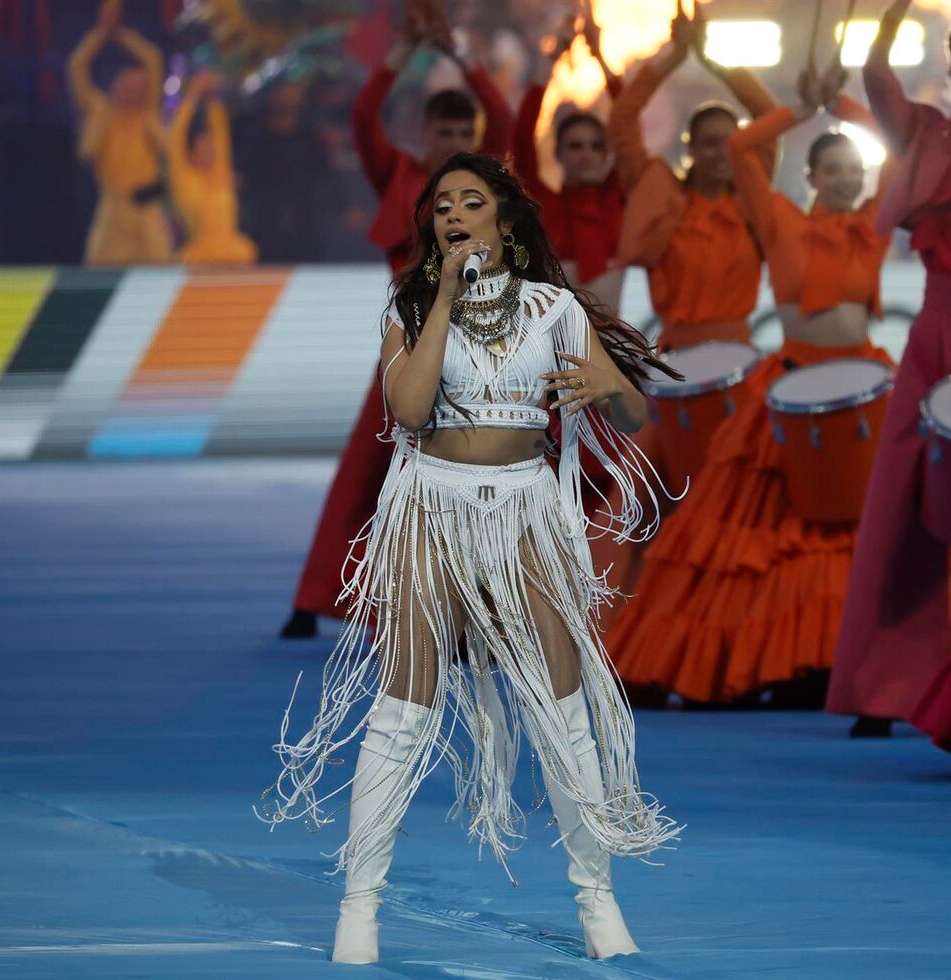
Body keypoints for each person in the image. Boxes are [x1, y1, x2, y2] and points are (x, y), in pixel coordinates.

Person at [256, 152, 681, 964]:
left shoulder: (556, 309)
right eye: (441, 204)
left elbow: (632, 412)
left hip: (525, 509)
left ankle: (597, 903)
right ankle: (360, 907)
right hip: (430, 505)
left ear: (506, 221)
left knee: (563, 711)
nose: (453, 213)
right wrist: (444, 297)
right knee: (404, 704)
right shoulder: (411, 305)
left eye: (471, 201)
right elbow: (409, 409)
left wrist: (606, 392)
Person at [605, 63, 896, 707]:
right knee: (739, 532)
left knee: (847, 536)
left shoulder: (876, 220)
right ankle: (724, 662)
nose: (847, 179)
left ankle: (828, 666)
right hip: (778, 381)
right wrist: (803, 107)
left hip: (862, 382)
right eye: (833, 170)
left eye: (856, 169)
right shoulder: (777, 217)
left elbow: (900, 150)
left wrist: (841, 104)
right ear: (812, 178)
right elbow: (742, 147)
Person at [281, 5, 513, 638]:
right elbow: (363, 117)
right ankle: (315, 597)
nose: (454, 141)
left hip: (477, 353)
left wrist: (461, 53)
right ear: (426, 134)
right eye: (444, 132)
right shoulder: (401, 177)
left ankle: (474, 609)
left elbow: (510, 117)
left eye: (465, 131)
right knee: (366, 474)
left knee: (480, 478)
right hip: (407, 347)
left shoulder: (483, 190)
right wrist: (402, 54)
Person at [594, 6, 777, 600]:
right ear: (691, 146)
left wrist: (717, 60)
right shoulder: (662, 199)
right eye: (712, 141)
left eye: (733, 140)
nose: (725, 150)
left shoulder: (752, 202)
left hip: (743, 372)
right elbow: (623, 121)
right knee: (659, 502)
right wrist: (673, 58)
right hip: (674, 372)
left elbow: (772, 116)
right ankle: (650, 620)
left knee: (745, 506)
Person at [826, 0, 951, 743]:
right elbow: (874, 75)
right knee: (900, 512)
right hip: (935, 337)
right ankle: (878, 688)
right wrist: (895, 10)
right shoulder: (929, 132)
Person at [514, 12, 625, 313]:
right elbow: (522, 139)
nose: (586, 153)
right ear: (558, 153)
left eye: (595, 146)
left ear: (606, 154)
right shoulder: (543, 205)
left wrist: (600, 57)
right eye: (575, 146)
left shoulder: (616, 201)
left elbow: (628, 123)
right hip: (555, 352)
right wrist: (550, 62)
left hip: (614, 349)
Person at [67, 0, 171, 265]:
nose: (132, 91)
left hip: (147, 209)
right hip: (113, 208)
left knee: (161, 273)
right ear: (115, 84)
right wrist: (103, 33)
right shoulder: (100, 111)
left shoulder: (148, 114)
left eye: (139, 87)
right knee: (102, 271)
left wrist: (122, 34)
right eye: (127, 85)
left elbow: (153, 59)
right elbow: (76, 66)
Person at [168, 70, 257, 264]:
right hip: (200, 259)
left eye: (211, 146)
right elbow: (176, 139)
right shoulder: (185, 179)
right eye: (202, 147)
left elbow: (220, 134)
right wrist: (192, 96)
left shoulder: (220, 176)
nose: (210, 151)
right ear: (190, 153)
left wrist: (212, 100)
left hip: (234, 257)